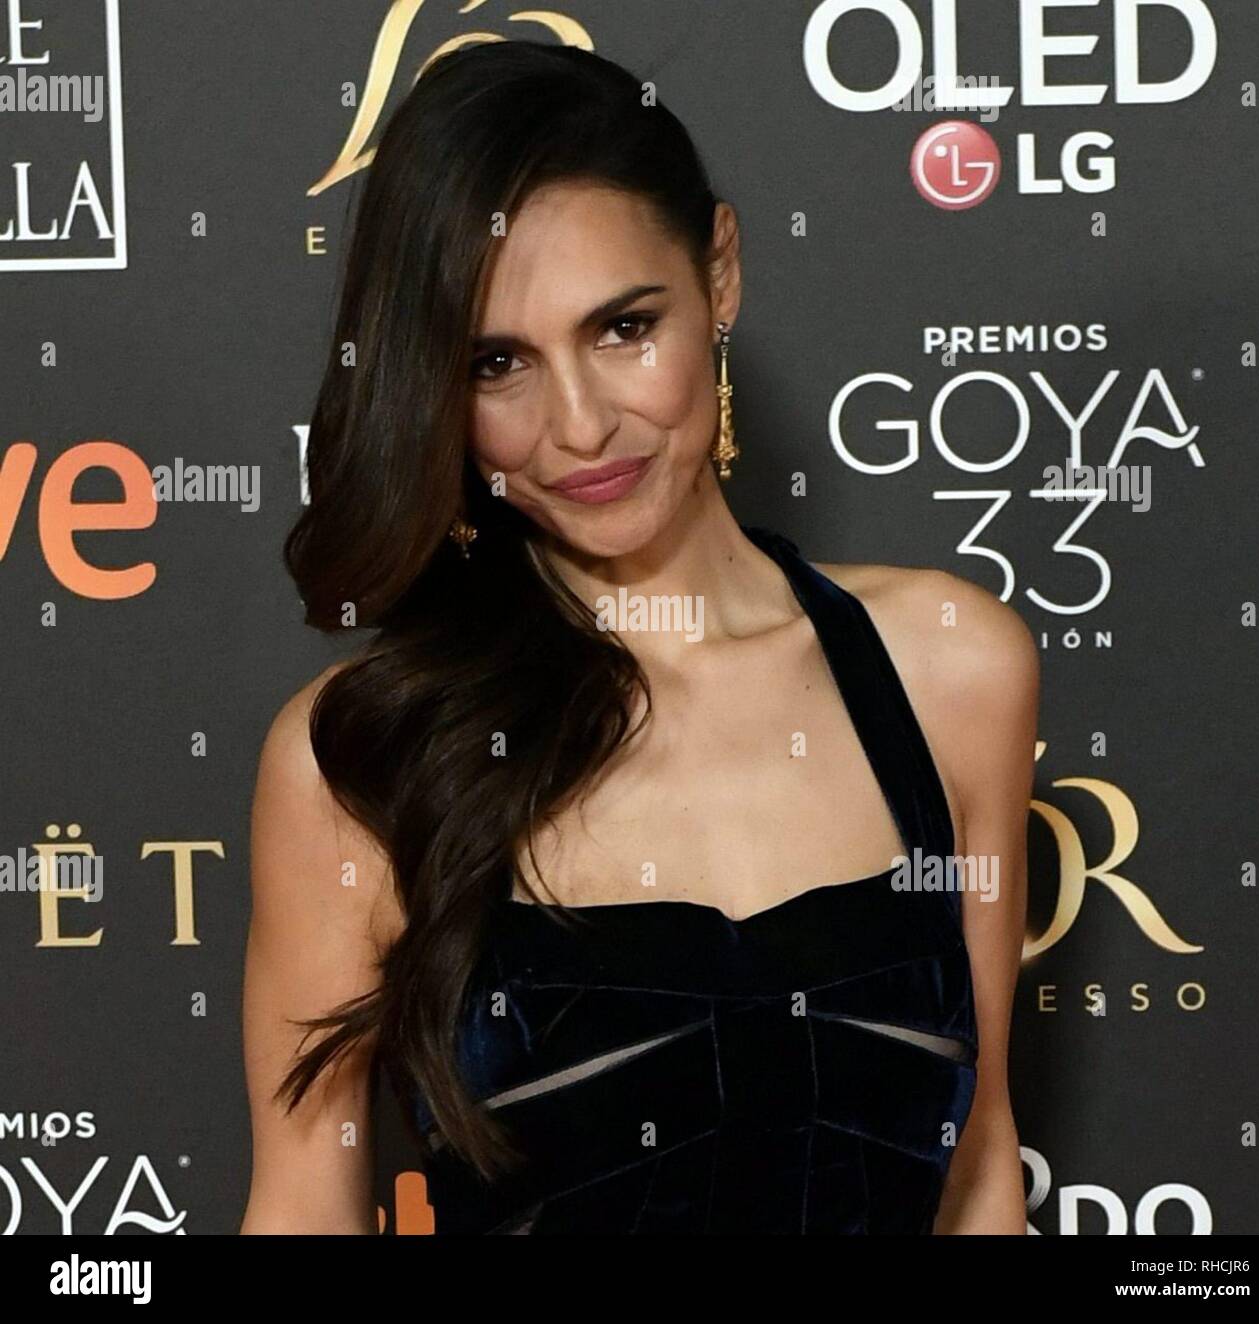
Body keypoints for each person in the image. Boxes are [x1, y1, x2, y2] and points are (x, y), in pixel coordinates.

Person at [239, 39, 1037, 1235]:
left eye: (622, 327)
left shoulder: (952, 671)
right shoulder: (360, 762)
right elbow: (305, 1212)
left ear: (718, 274)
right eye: (497, 362)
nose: (581, 424)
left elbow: (976, 1176)